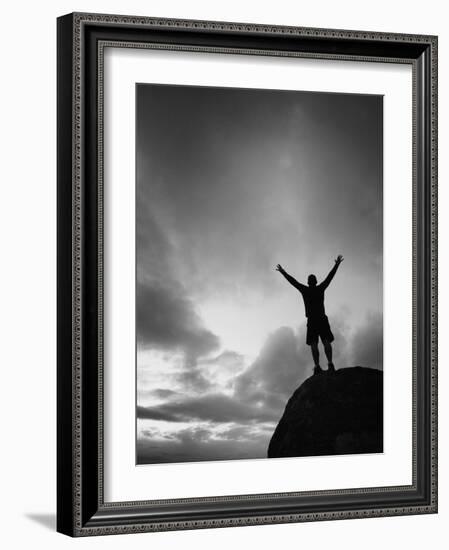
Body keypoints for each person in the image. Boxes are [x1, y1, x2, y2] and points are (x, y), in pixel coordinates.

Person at [276, 255, 344, 374]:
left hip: (312, 320)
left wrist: (283, 272)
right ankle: (330, 364)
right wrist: (337, 264)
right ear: (316, 282)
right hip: (322, 318)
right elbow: (330, 277)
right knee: (326, 341)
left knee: (314, 344)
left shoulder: (305, 290)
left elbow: (293, 281)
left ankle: (317, 366)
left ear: (308, 282)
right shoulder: (320, 288)